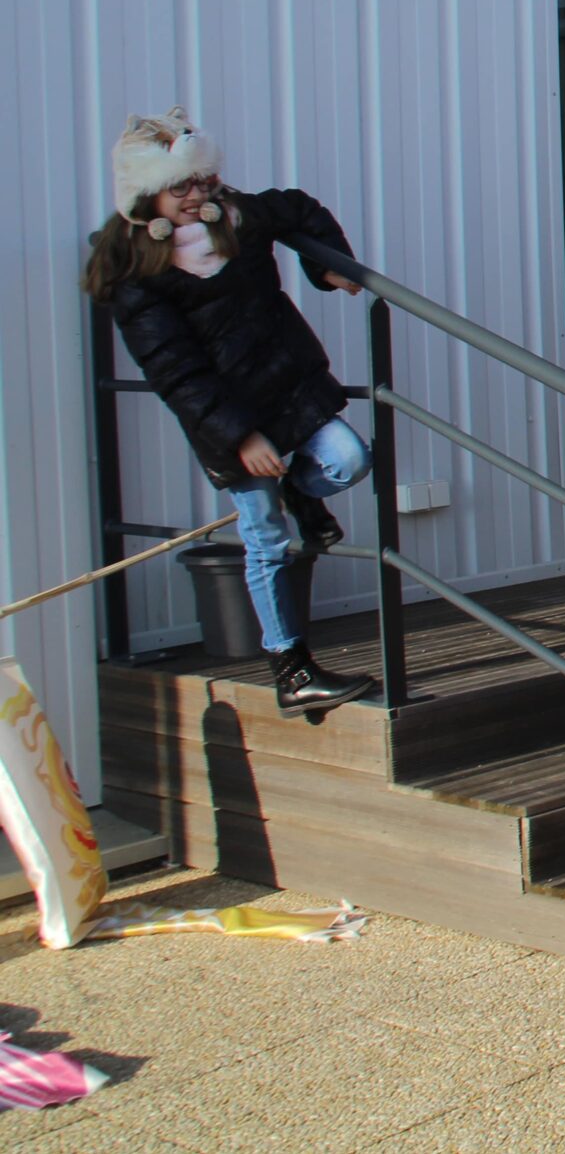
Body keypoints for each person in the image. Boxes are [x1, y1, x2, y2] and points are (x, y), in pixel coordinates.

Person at [84, 109, 379, 716]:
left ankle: (304, 494)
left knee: (350, 460)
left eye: (205, 180)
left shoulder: (239, 218)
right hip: (227, 418)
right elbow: (174, 370)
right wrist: (241, 438)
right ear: (147, 198)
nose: (198, 196)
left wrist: (328, 265)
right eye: (181, 187)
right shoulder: (137, 275)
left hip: (289, 383)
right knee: (264, 537)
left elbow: (299, 208)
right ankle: (292, 668)